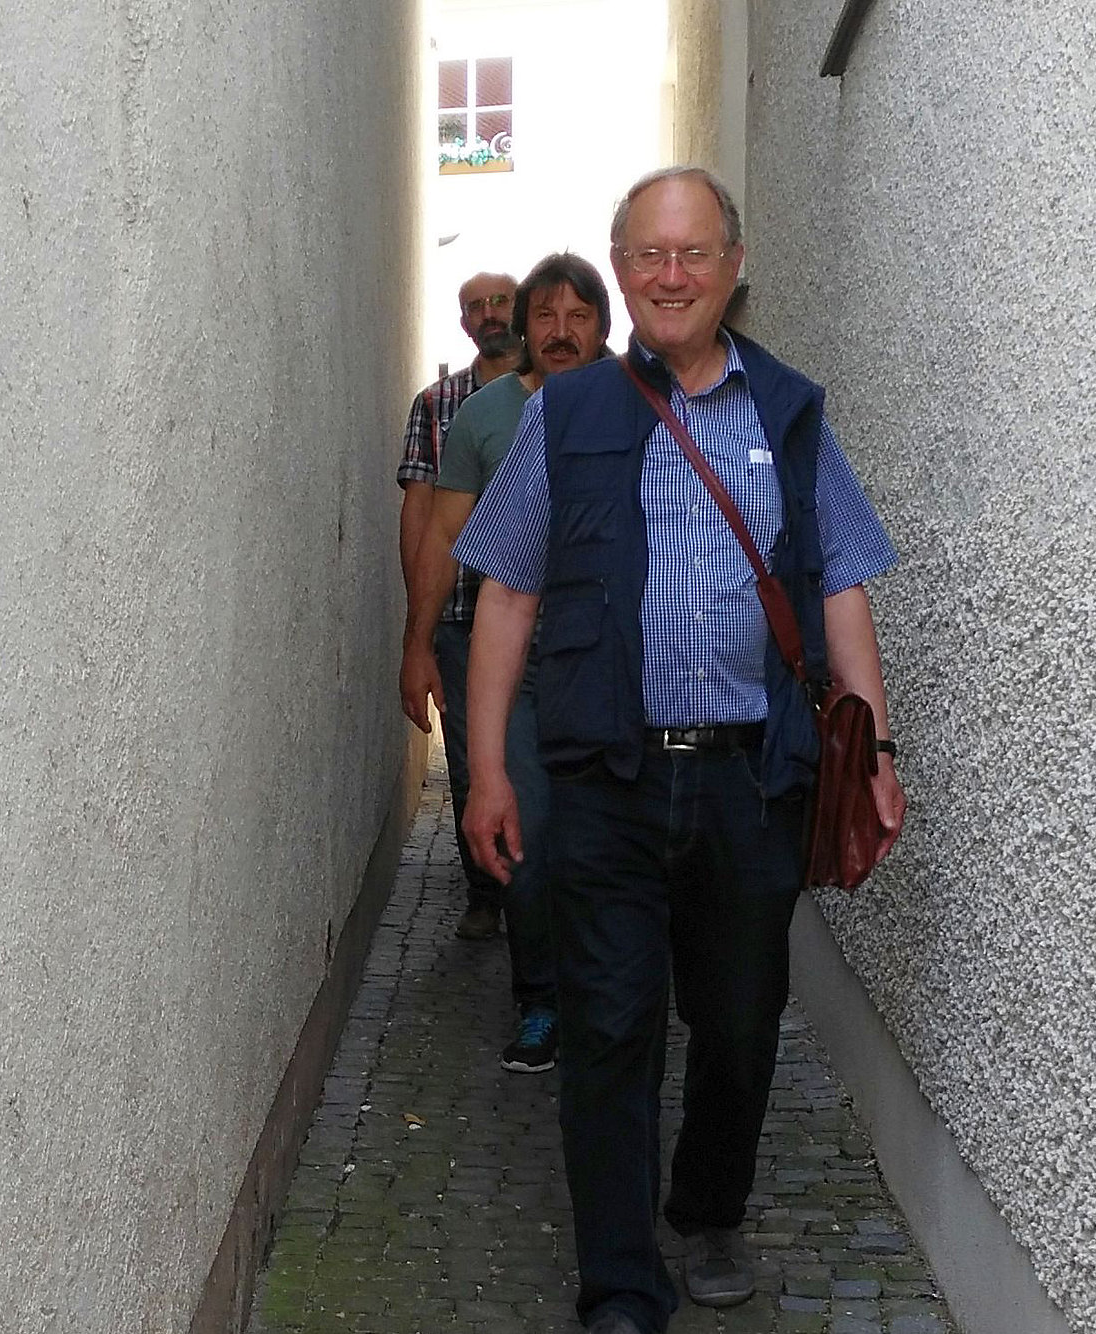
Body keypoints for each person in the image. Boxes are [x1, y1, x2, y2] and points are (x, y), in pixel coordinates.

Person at [451, 167, 906, 1334]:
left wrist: (874, 741)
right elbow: (504, 588)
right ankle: (618, 1282)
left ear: (731, 267)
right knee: (609, 1025)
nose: (669, 275)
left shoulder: (790, 414)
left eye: (692, 253)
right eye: (647, 255)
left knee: (741, 1015)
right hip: (603, 775)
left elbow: (842, 578)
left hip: (749, 779)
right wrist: (492, 768)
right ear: (620, 269)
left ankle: (707, 1203)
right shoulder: (567, 411)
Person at [401, 254, 613, 1073]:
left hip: (608, 660)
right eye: (545, 316)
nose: (560, 332)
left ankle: (610, 991)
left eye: (578, 315)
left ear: (603, 323)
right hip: (512, 661)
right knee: (522, 831)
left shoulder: (636, 402)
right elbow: (445, 538)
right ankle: (542, 1001)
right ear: (525, 327)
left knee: (605, 833)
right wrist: (419, 644)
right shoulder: (484, 417)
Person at [396, 270, 520, 941]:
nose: (489, 313)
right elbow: (421, 518)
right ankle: (491, 893)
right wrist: (417, 634)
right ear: (463, 321)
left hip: (546, 619)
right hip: (463, 615)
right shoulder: (436, 404)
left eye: (500, 300)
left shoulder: (564, 389)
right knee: (475, 762)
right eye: (475, 306)